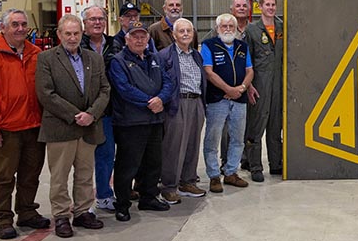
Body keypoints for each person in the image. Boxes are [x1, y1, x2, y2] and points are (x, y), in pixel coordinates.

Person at [36, 14, 110, 237]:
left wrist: (91, 114)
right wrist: (75, 115)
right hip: (61, 127)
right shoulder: (46, 59)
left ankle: (82, 211)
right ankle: (60, 216)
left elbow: (105, 90)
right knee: (59, 176)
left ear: (82, 34)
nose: (72, 37)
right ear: (59, 35)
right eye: (67, 33)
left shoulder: (94, 59)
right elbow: (46, 94)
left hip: (89, 127)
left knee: (85, 173)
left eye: (76, 33)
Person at [0, 9, 50, 240]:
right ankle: (3, 220)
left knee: (30, 175)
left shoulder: (37, 53)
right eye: (15, 24)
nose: (21, 29)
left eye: (24, 24)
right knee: (3, 178)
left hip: (34, 127)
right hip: (5, 129)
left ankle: (27, 212)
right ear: (3, 28)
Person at [108, 21, 174, 221]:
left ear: (148, 39)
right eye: (134, 36)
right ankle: (122, 204)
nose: (139, 39)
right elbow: (124, 88)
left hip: (154, 121)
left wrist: (161, 99)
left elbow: (168, 81)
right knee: (128, 165)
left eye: (142, 36)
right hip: (131, 123)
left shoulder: (154, 59)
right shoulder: (118, 61)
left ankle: (149, 197)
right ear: (126, 39)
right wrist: (149, 102)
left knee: (153, 163)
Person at [157, 18, 208, 203]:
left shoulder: (196, 55)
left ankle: (187, 182)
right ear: (174, 34)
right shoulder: (165, 56)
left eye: (189, 31)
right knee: (174, 146)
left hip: (196, 103)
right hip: (177, 104)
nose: (186, 34)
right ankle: (169, 186)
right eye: (181, 31)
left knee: (193, 145)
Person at [202, 14, 254, 192]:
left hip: (239, 100)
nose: (228, 29)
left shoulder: (242, 46)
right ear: (217, 29)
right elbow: (209, 72)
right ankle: (214, 176)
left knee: (238, 139)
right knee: (212, 140)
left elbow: (250, 71)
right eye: (224, 26)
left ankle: (231, 172)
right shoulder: (209, 46)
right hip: (217, 100)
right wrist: (227, 89)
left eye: (231, 26)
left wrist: (241, 88)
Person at [243, 0, 284, 181]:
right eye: (267, 4)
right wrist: (249, 85)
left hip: (278, 85)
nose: (271, 8)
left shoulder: (282, 28)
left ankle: (276, 164)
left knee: (276, 127)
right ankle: (255, 167)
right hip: (259, 85)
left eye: (273, 4)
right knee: (256, 127)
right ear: (260, 7)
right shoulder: (252, 30)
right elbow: (247, 60)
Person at [80, 5, 117, 212]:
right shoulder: (78, 45)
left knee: (105, 155)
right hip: (84, 111)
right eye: (92, 19)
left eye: (100, 19)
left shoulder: (114, 44)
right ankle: (82, 203)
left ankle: (104, 195)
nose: (97, 22)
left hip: (109, 109)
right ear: (85, 23)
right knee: (83, 159)